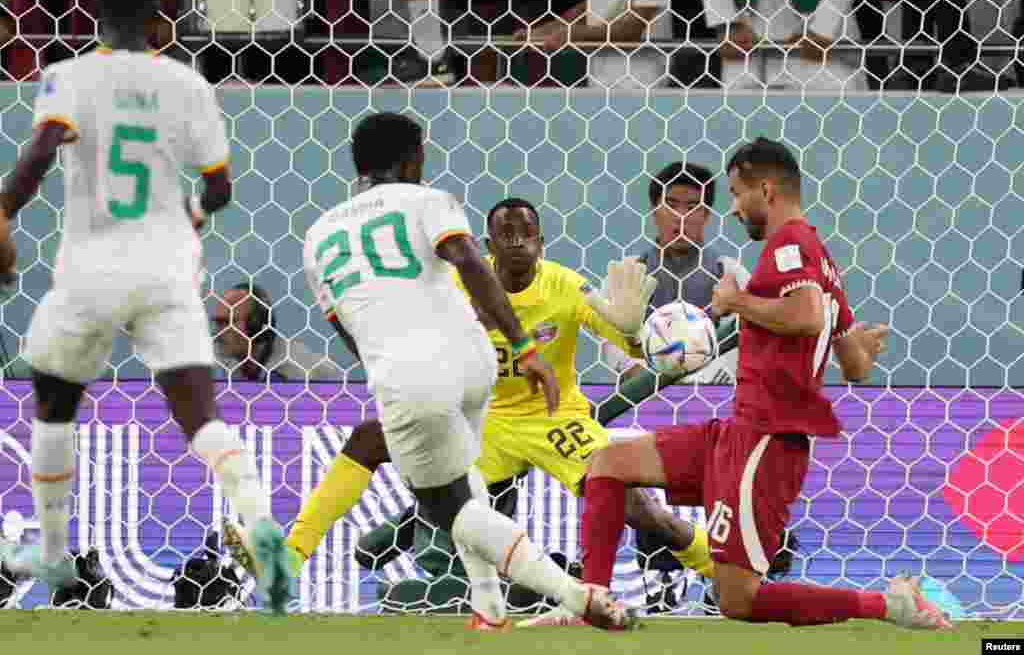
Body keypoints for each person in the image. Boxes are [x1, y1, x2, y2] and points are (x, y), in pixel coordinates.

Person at [226, 112, 646, 630]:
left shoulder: (319, 236)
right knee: (462, 484)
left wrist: (389, 372)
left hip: (411, 373)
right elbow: (471, 262)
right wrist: (523, 345)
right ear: (412, 159)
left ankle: (580, 598)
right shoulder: (429, 201)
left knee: (455, 510)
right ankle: (489, 607)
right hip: (473, 359)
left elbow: (345, 326)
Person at [0, 0, 292, 614]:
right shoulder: (186, 83)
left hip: (91, 268)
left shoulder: (72, 77)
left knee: (53, 405)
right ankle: (262, 527)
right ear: (162, 14)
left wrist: (3, 210)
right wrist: (186, 213)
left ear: (93, 10)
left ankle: (52, 551)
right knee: (202, 418)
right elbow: (220, 189)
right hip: (167, 268)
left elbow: (42, 152)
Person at [578, 137, 953, 629]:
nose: (732, 208)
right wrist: (862, 345)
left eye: (736, 193)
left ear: (767, 189)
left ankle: (890, 605)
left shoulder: (790, 243)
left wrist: (736, 302)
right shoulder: (820, 258)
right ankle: (590, 602)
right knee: (608, 462)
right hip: (738, 431)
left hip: (766, 443)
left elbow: (804, 315)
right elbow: (855, 364)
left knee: (739, 599)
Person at [603, 162, 748, 383]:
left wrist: (712, 376)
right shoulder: (630, 270)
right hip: (642, 396)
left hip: (710, 394)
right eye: (671, 205)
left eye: (692, 207)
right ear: (654, 210)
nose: (681, 216)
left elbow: (747, 336)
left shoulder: (728, 272)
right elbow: (607, 334)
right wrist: (633, 371)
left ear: (706, 215)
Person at [701, 0, 868, 90]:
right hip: (744, 24)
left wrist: (825, 26)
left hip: (818, 21)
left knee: (833, 120)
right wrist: (725, 20)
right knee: (745, 126)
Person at [512, 0, 671, 88]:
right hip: (599, 74)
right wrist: (542, 31)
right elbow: (588, 9)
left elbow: (632, 29)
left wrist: (575, 34)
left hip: (641, 77)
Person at [211, 282, 343, 382]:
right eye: (217, 322)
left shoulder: (296, 370)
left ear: (255, 327)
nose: (218, 332)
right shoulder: (228, 358)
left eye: (227, 322)